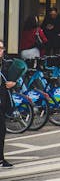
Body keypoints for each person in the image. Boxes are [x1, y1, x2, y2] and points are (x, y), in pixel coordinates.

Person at [0, 40, 15, 168]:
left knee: (2, 131)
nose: (0, 51)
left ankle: (1, 158)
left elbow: (11, 79)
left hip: (2, 102)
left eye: (1, 48)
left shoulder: (5, 64)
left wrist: (12, 83)